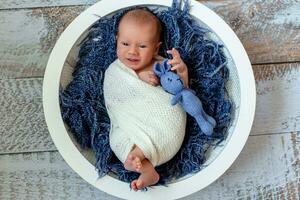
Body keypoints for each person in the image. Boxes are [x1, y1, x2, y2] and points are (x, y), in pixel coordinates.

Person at [103, 8, 189, 191]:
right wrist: (139, 78)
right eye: (125, 43)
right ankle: (147, 170)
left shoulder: (160, 66)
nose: (132, 52)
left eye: (142, 46)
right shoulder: (114, 71)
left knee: (171, 114)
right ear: (117, 39)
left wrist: (182, 71)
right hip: (131, 120)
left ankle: (138, 155)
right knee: (118, 140)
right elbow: (117, 102)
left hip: (163, 123)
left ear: (156, 48)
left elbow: (181, 91)